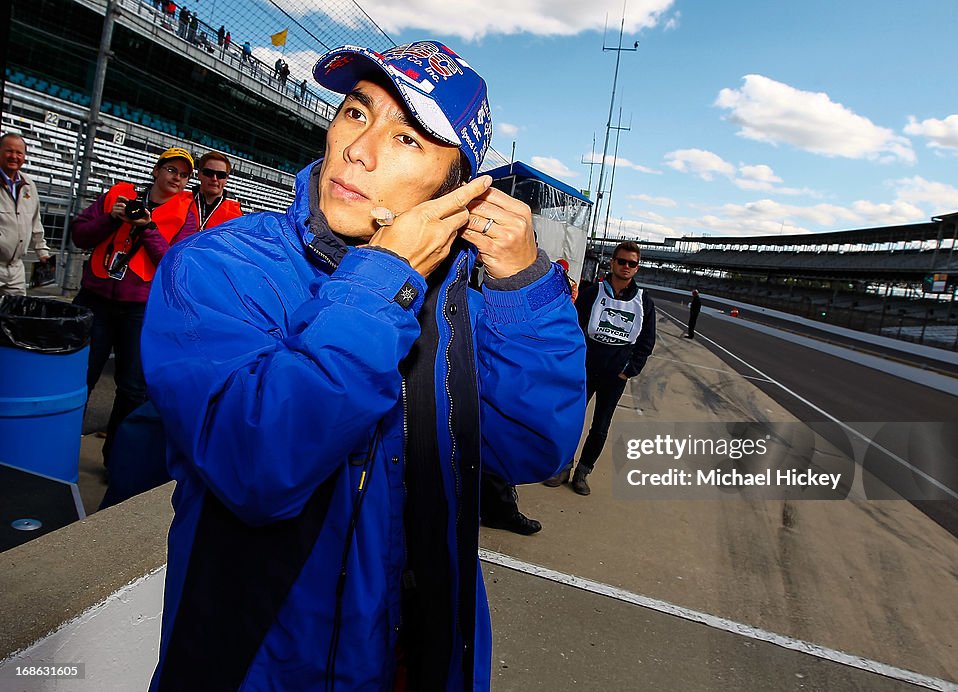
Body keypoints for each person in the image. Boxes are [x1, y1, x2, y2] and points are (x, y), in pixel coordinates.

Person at [142, 40, 586, 689]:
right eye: (356, 113)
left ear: (456, 189)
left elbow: (532, 448)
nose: (360, 149)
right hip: (260, 664)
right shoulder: (221, 265)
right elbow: (258, 465)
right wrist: (383, 280)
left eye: (407, 140)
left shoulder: (460, 297)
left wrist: (525, 291)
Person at [70, 147, 198, 466]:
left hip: (140, 310)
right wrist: (110, 220)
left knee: (131, 389)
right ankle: (61, 449)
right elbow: (79, 236)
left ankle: (116, 461)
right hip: (95, 300)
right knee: (78, 379)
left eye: (183, 175)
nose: (176, 178)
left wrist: (147, 227)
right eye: (171, 170)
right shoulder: (119, 195)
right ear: (156, 170)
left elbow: (174, 264)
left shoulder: (187, 213)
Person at [545, 241, 656, 495]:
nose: (626, 266)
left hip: (615, 376)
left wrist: (628, 369)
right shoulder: (593, 292)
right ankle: (563, 467)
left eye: (632, 263)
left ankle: (583, 472)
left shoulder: (643, 302)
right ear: (613, 263)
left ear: (637, 269)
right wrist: (573, 362)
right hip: (585, 371)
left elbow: (647, 341)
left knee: (601, 426)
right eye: (622, 261)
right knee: (572, 420)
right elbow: (571, 327)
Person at [1, 133, 51, 296]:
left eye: (19, 153)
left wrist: (43, 253)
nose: (14, 157)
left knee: (15, 318)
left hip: (16, 270)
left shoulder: (29, 185)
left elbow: (35, 223)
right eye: (9, 151)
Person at [189, 151, 242, 230]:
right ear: (199, 174)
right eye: (209, 173)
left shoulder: (236, 214)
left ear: (226, 179)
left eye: (221, 175)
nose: (214, 179)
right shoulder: (180, 201)